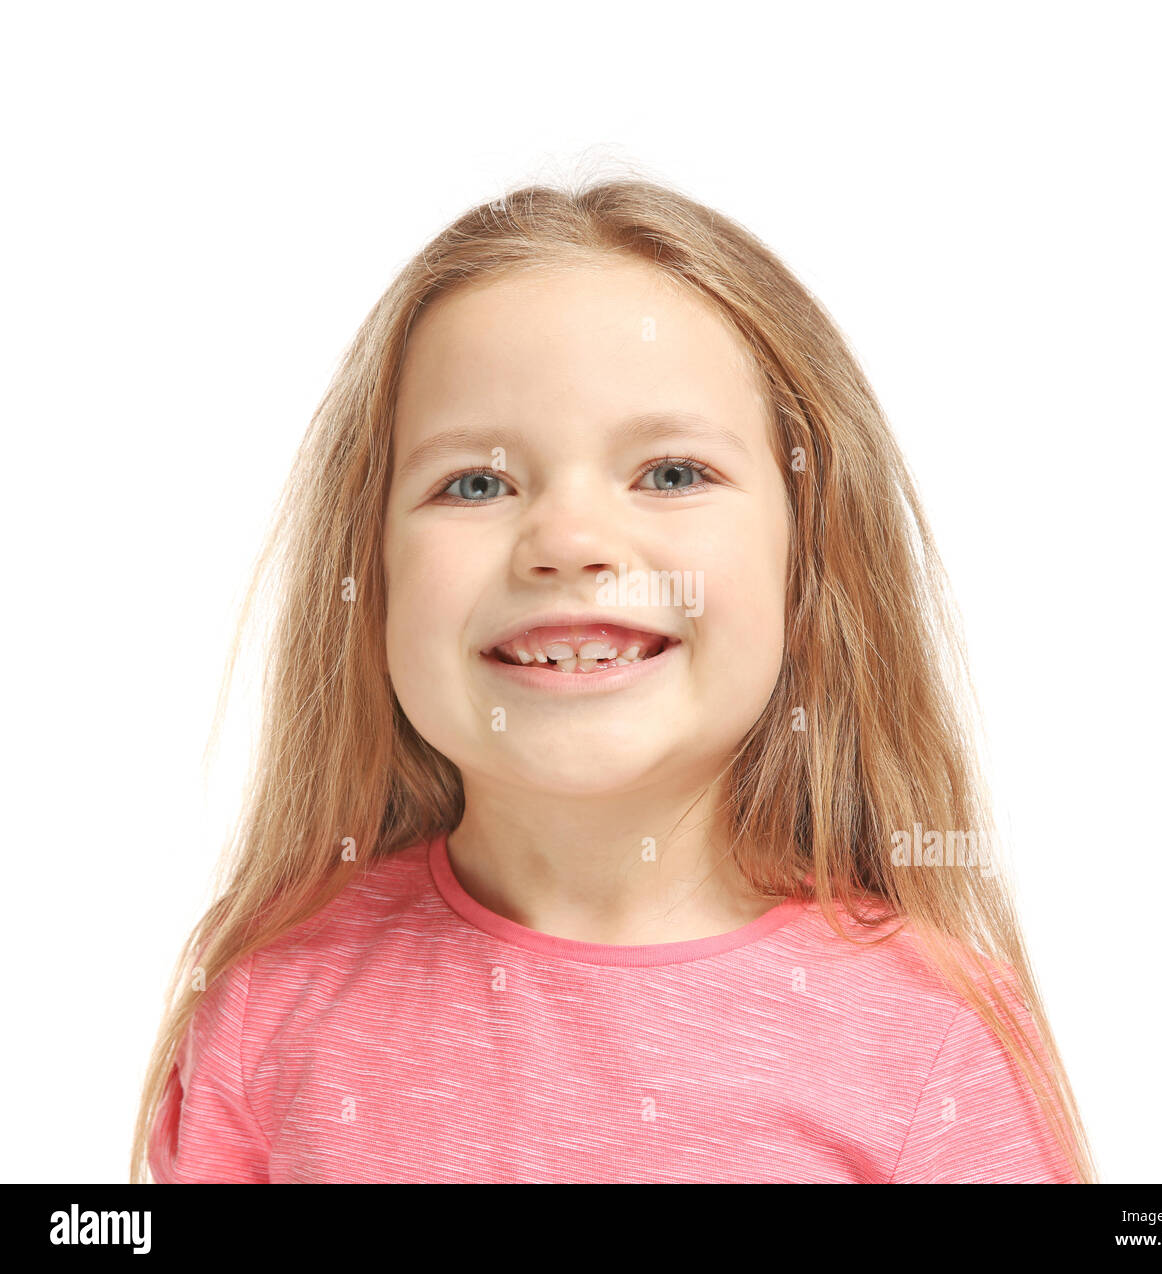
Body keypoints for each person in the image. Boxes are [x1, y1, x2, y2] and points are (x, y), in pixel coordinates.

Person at [132, 177, 1096, 1184]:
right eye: (476, 481)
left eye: (671, 472)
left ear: (808, 566)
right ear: (369, 579)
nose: (570, 540)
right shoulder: (270, 1002)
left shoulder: (930, 1035)